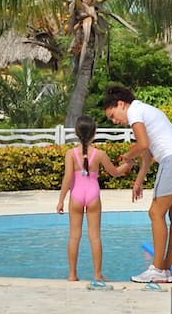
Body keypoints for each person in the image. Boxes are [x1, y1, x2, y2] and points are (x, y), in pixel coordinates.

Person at [101, 85, 172, 284]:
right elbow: (147, 155)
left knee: (155, 213)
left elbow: (142, 145)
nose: (114, 121)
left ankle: (156, 269)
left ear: (121, 104)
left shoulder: (134, 112)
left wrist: (127, 156)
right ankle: (165, 270)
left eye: (113, 116)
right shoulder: (146, 110)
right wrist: (139, 181)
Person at [55, 115, 129, 282]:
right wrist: (128, 165)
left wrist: (61, 200)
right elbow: (115, 172)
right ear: (94, 133)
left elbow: (68, 178)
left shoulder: (70, 154)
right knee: (95, 237)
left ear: (76, 133)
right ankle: (97, 274)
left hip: (76, 195)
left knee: (74, 236)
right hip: (93, 196)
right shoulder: (100, 154)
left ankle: (72, 274)